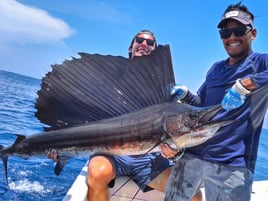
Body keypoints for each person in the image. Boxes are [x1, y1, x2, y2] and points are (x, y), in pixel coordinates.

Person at [48, 30, 202, 201]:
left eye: (150, 43)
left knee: (193, 194)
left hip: (150, 160)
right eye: (140, 40)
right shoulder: (110, 85)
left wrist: (175, 152)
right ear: (131, 47)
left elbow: (187, 122)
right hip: (112, 154)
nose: (144, 44)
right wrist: (61, 147)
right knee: (96, 174)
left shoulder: (165, 88)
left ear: (154, 50)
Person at [162, 2, 268, 201]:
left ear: (252, 33)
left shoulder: (261, 63)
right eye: (225, 33)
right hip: (192, 156)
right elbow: (200, 104)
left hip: (231, 165)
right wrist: (184, 94)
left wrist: (247, 84)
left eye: (238, 31)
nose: (232, 37)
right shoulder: (215, 68)